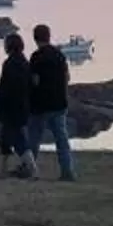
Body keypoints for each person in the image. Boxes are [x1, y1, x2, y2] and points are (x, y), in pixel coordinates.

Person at [19, 21, 76, 183]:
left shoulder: (36, 57)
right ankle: (67, 171)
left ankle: (30, 169)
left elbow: (35, 81)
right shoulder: (59, 55)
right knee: (61, 139)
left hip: (40, 105)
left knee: (34, 138)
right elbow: (67, 77)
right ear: (49, 37)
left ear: (35, 38)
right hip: (59, 103)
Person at [0, 26, 29, 180]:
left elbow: (5, 88)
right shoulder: (25, 63)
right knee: (8, 139)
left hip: (10, 109)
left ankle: (31, 169)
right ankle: (2, 171)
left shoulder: (9, 64)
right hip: (22, 107)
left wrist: (0, 109)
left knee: (13, 140)